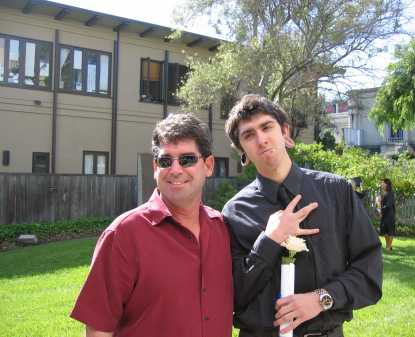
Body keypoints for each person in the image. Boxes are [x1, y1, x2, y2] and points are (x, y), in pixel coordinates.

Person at [222, 94, 383, 337]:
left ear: (285, 131)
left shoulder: (336, 191)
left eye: (267, 127)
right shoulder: (235, 212)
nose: (261, 139)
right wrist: (269, 241)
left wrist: (322, 299)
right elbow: (232, 295)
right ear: (240, 150)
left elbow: (369, 272)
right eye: (249, 135)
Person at [70, 113, 233, 337]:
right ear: (156, 167)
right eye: (166, 161)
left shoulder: (221, 228)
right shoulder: (124, 234)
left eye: (187, 160)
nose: (175, 170)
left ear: (209, 165)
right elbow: (99, 328)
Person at [379, 178, 395, 251]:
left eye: (382, 183)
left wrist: (382, 209)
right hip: (384, 214)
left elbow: (389, 204)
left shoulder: (390, 193)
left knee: (390, 229)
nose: (381, 184)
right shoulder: (384, 193)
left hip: (389, 214)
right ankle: (387, 245)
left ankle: (389, 246)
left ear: (386, 184)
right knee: (384, 229)